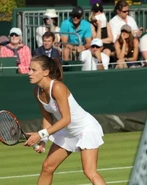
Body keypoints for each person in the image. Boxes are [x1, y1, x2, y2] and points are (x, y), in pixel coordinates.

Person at [24, 54, 106, 185]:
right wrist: (43, 141)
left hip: (86, 128)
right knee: (47, 167)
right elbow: (47, 117)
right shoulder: (37, 91)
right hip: (67, 131)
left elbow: (66, 119)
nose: (29, 73)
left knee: (89, 172)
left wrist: (40, 134)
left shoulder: (57, 87)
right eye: (29, 69)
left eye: (33, 70)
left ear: (45, 72)